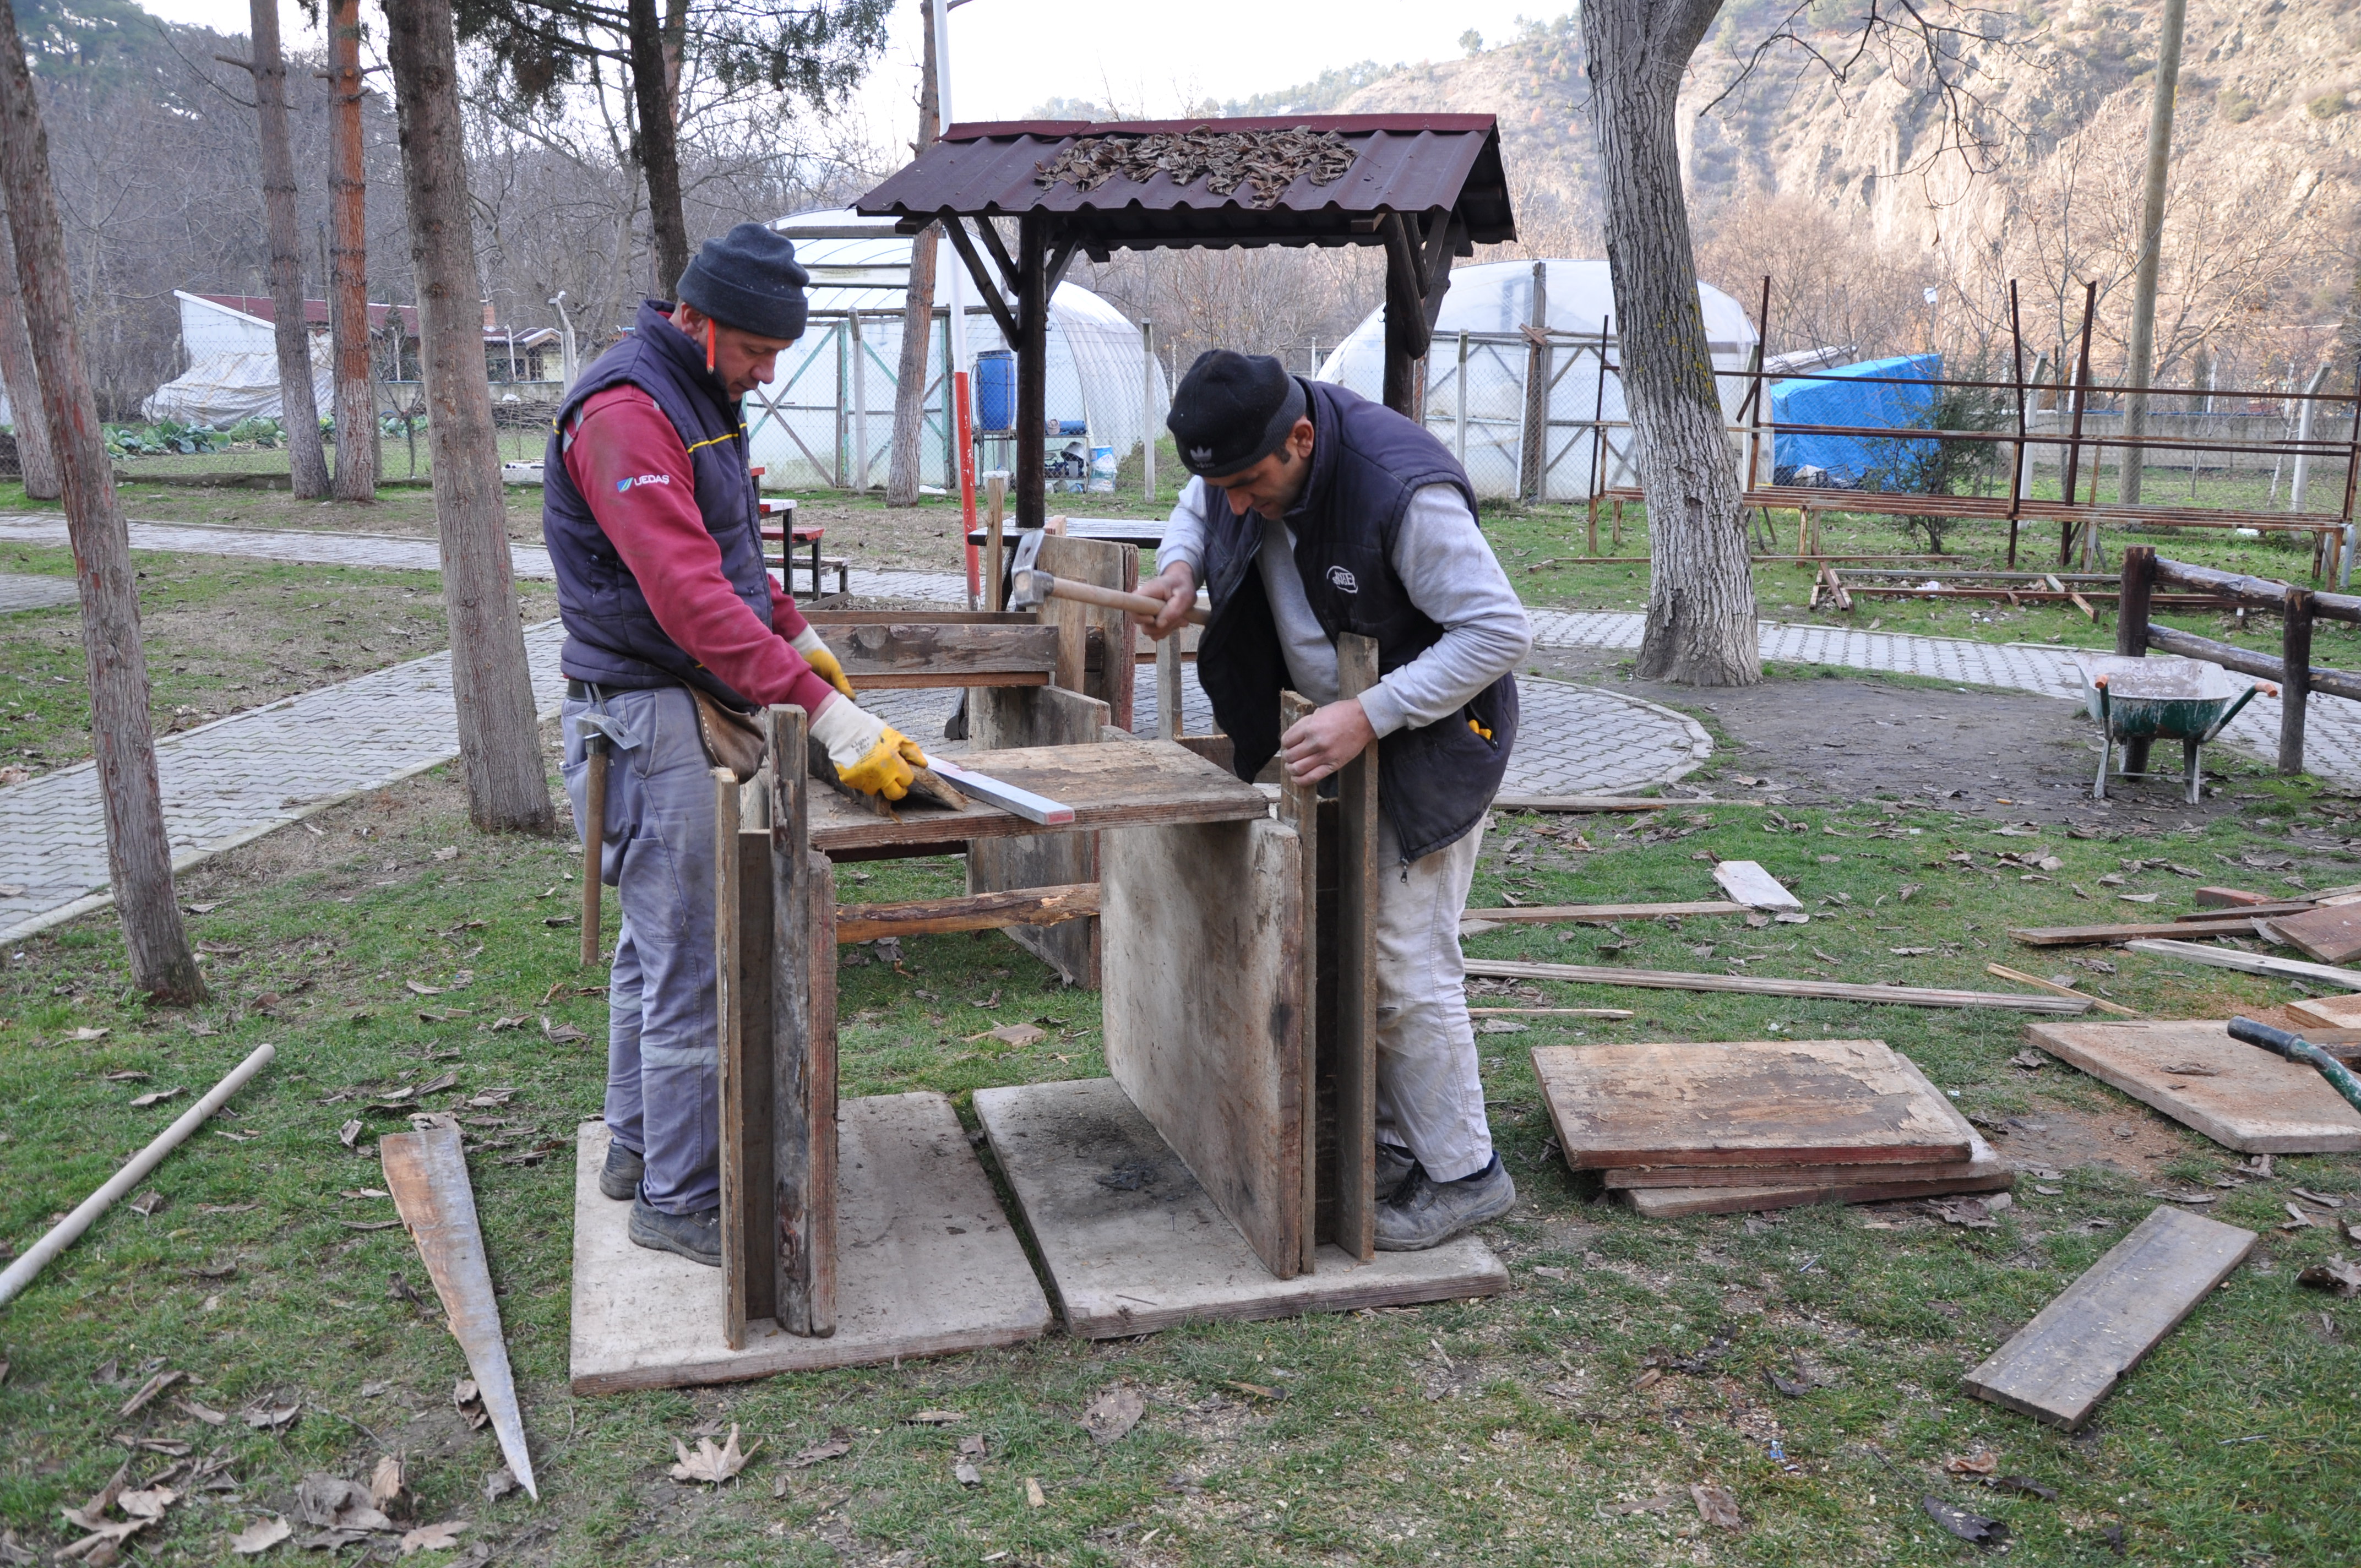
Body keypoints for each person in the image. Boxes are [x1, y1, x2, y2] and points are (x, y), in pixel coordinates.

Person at [543, 224, 929, 1266]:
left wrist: (798, 633)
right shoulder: (627, 413)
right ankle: (682, 1199)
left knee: (652, 950)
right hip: (649, 707)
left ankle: (635, 1149)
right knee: (692, 967)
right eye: (757, 353)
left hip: (669, 697)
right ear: (698, 321)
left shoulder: (700, 399)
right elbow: (686, 596)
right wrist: (832, 717)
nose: (765, 376)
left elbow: (733, 553)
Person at [1134, 351, 1532, 1250]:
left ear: (1302, 440)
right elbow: (1202, 503)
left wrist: (1372, 712)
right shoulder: (1246, 461)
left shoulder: (1401, 489)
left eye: (1250, 483)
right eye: (1223, 483)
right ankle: (1396, 1145)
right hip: (1341, 732)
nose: (1236, 502)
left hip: (1434, 744)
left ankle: (1468, 1176)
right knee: (1347, 947)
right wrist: (1180, 566)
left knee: (1402, 961)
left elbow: (1501, 629)